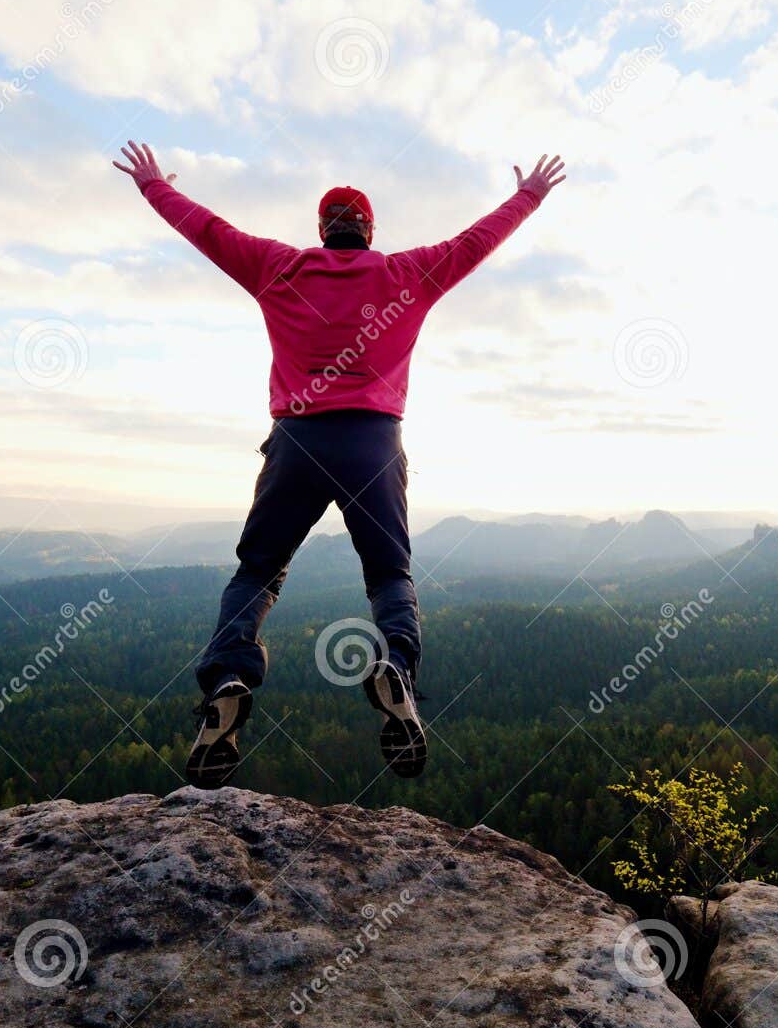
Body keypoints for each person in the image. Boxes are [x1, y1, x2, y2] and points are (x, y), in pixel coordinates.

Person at [112, 142, 567, 787]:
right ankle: (398, 672)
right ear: (370, 231)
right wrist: (528, 196)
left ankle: (230, 679)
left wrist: (154, 186)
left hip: (297, 442)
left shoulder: (281, 268)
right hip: (375, 446)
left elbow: (209, 232)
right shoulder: (406, 273)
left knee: (259, 572)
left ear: (322, 231)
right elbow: (474, 243)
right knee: (389, 574)